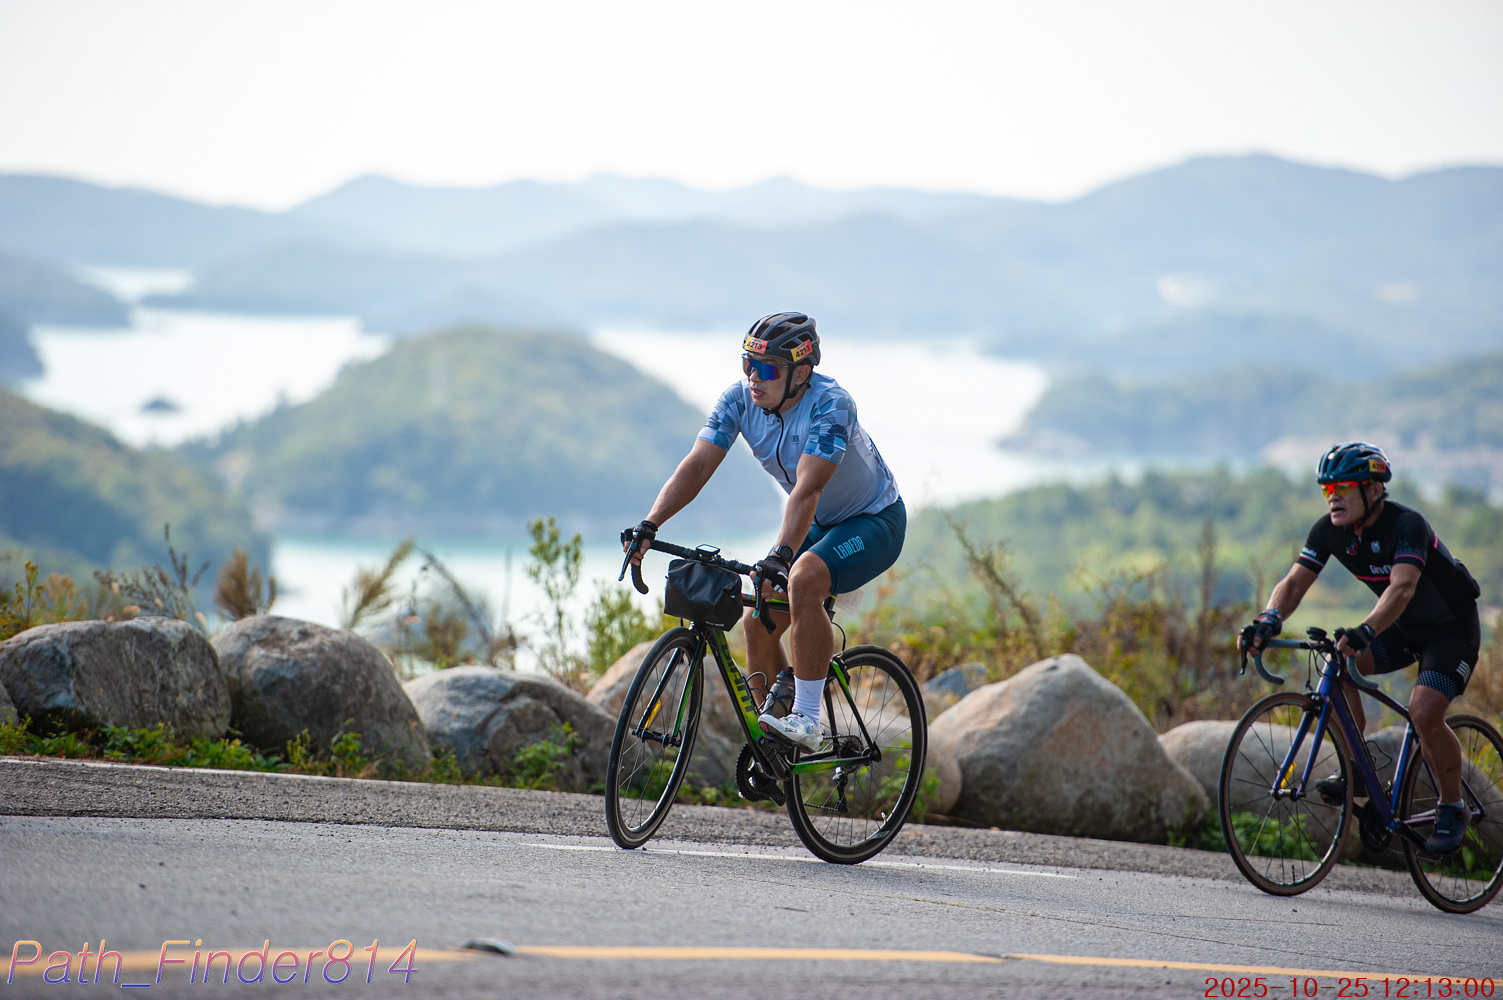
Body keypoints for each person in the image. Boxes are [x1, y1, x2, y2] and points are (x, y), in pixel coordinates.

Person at [622, 312, 904, 751]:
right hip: (817, 522)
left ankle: (807, 718)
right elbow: (697, 466)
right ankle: (771, 745)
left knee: (804, 578)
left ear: (801, 374)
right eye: (747, 364)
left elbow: (809, 489)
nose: (753, 377)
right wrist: (651, 523)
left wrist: (781, 555)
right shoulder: (738, 400)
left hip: (874, 520)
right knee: (758, 622)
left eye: (767, 369)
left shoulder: (832, 404)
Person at [1239, 441, 1483, 854]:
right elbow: (1294, 583)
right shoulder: (1330, 530)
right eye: (1326, 489)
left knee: (1424, 712)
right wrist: (1269, 617)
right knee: (1337, 663)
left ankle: (1452, 806)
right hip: (1402, 628)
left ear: (1372, 490)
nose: (1332, 498)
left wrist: (1366, 629)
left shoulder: (1407, 525)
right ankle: (1358, 767)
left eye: (1342, 488)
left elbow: (1402, 588)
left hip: (1451, 630)